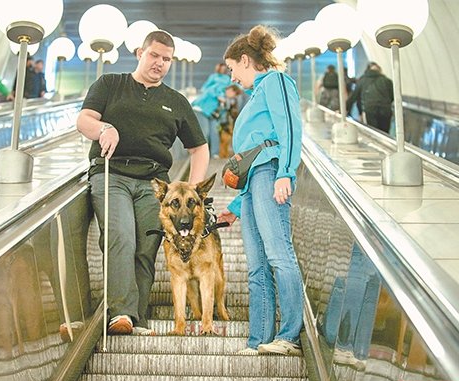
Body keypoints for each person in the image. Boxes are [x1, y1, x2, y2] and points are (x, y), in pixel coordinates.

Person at [76, 30, 209, 336]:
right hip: (112, 174)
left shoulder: (175, 102)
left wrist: (194, 191)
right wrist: (103, 128)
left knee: (146, 247)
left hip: (155, 183)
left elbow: (199, 149)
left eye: (166, 59)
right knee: (121, 235)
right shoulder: (111, 84)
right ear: (139, 53)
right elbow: (84, 119)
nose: (159, 63)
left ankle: (137, 317)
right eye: (154, 55)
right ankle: (122, 313)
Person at [217, 25, 305, 356]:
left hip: (271, 172)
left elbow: (290, 128)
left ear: (245, 60)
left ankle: (289, 335)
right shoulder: (257, 94)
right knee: (256, 264)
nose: (232, 78)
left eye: (232, 69)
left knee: (279, 254)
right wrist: (237, 208)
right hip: (255, 180)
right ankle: (259, 341)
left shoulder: (277, 82)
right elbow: (252, 158)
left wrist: (286, 173)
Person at [191, 63, 231, 158]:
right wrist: (218, 95)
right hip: (203, 109)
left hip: (214, 111)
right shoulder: (213, 78)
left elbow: (234, 89)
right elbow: (205, 88)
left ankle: (214, 153)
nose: (222, 70)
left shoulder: (228, 80)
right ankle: (202, 154)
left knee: (214, 132)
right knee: (205, 132)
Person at [346, 62, 394, 133]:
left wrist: (346, 109)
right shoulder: (387, 81)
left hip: (370, 109)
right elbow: (392, 96)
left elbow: (354, 96)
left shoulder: (362, 80)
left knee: (374, 131)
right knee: (385, 132)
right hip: (385, 109)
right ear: (379, 70)